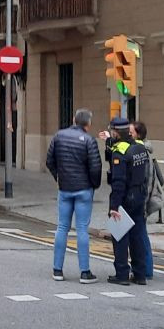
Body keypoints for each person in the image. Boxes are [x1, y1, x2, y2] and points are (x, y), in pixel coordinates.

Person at [45, 108, 102, 283]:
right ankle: (85, 272)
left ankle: (57, 270)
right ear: (88, 124)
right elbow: (95, 167)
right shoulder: (89, 140)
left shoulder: (59, 136)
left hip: (65, 188)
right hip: (84, 189)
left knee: (62, 227)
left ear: (73, 119)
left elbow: (49, 161)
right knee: (82, 229)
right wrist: (94, 185)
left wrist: (58, 177)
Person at [105, 117, 153, 286]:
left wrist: (114, 206)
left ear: (116, 132)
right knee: (137, 235)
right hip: (139, 195)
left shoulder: (120, 152)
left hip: (125, 197)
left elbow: (118, 182)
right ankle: (140, 274)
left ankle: (122, 274)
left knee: (120, 235)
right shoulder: (139, 147)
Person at [134, 120, 161, 280]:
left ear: (138, 135)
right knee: (140, 234)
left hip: (140, 201)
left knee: (141, 235)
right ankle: (143, 267)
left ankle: (146, 269)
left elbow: (148, 181)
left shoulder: (143, 154)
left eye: (131, 132)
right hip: (139, 200)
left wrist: (143, 204)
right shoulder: (140, 151)